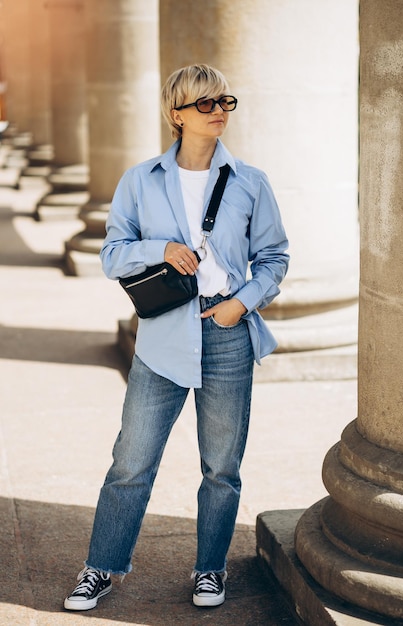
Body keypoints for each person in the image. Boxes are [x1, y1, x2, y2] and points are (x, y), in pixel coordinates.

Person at [64, 63, 289, 612]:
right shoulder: (141, 181)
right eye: (205, 104)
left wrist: (241, 304)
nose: (218, 112)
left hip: (228, 332)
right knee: (131, 462)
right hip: (164, 337)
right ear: (176, 114)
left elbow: (274, 257)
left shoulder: (250, 182)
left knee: (221, 467)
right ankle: (101, 567)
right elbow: (113, 253)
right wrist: (159, 250)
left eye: (224, 102)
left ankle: (209, 570)